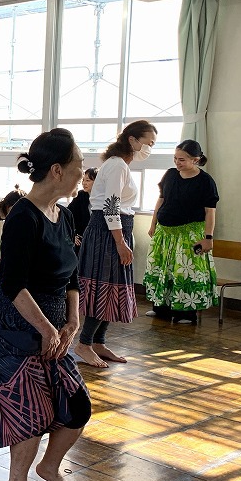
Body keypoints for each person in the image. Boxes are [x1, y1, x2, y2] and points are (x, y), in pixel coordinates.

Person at [0, 128, 90, 481]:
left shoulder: (65, 215)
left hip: (51, 325)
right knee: (31, 412)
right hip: (11, 328)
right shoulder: (23, 216)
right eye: (79, 165)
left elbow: (71, 275)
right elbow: (11, 282)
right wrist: (47, 329)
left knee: (77, 407)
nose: (83, 172)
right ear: (57, 170)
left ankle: (49, 467)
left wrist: (73, 319)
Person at [75, 120, 157, 367]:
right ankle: (84, 343)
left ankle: (98, 342)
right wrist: (120, 242)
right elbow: (111, 206)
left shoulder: (119, 165)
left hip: (115, 230)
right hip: (107, 232)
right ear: (132, 140)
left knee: (113, 288)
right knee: (104, 286)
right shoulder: (117, 165)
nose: (150, 148)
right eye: (149, 143)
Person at [144, 140, 219, 325]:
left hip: (189, 233)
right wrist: (153, 223)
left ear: (196, 160)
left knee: (184, 272)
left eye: (182, 160)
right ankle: (161, 308)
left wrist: (208, 238)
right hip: (165, 232)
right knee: (162, 269)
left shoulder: (205, 181)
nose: (177, 163)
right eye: (175, 158)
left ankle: (185, 313)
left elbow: (210, 211)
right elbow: (161, 200)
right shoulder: (170, 174)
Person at [66, 168, 97, 256]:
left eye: (88, 180)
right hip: (81, 240)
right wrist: (72, 234)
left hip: (97, 240)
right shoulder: (81, 195)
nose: (84, 183)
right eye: (83, 180)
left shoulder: (103, 198)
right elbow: (67, 215)